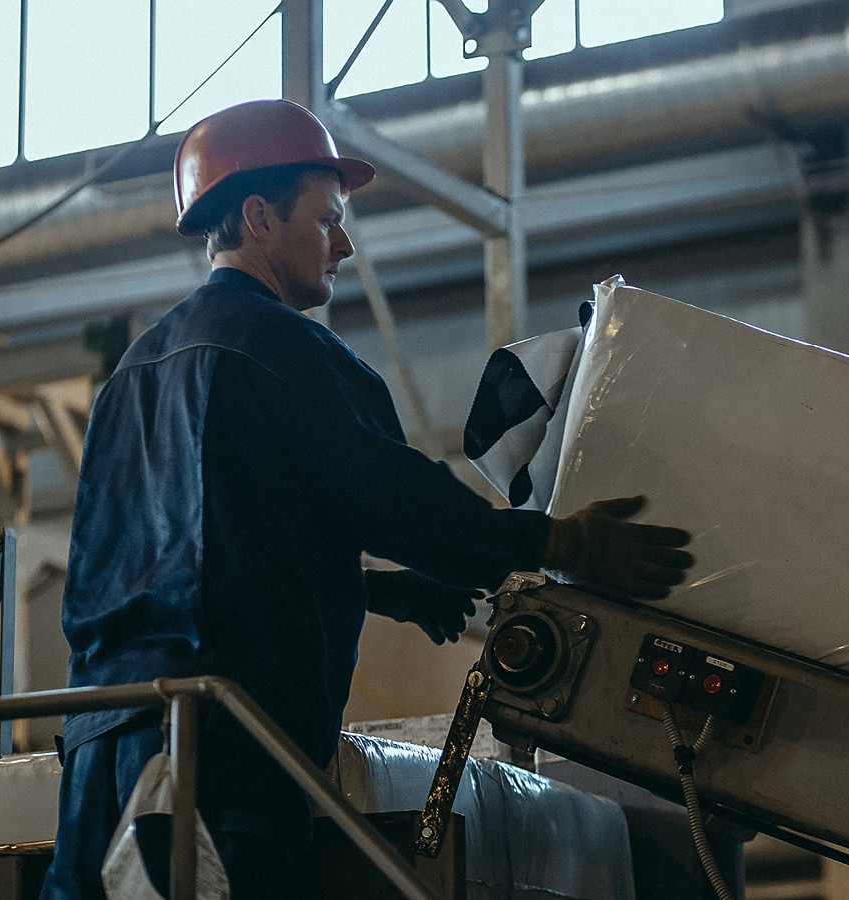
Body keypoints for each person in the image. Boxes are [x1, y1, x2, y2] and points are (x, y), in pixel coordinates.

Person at [39, 99, 693, 900]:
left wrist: (375, 590)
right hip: (215, 756)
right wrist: (562, 542)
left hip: (97, 746)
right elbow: (398, 501)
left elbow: (180, 561)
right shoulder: (282, 348)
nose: (343, 244)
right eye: (327, 220)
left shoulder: (131, 375)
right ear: (259, 216)